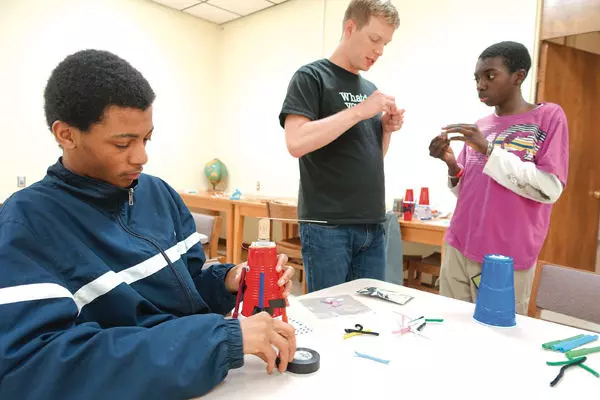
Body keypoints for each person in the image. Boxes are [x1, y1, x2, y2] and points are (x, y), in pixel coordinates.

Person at [0, 49, 297, 399]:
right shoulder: (27, 224)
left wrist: (231, 281)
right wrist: (218, 341)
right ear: (66, 134)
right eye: (122, 143)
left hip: (203, 378)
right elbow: (34, 368)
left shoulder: (157, 193)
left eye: (146, 139)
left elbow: (188, 289)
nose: (141, 157)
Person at [429, 41, 569, 314]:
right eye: (477, 78)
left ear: (519, 76)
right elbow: (468, 191)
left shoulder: (548, 117)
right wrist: (451, 165)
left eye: (490, 75)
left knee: (498, 333)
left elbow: (550, 189)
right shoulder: (481, 127)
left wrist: (489, 150)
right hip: (459, 244)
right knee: (451, 328)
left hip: (507, 256)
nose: (481, 85)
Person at [279, 0, 404, 292]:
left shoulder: (369, 90)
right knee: (329, 313)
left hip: (372, 225)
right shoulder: (311, 77)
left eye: (385, 44)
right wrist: (359, 111)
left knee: (370, 312)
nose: (379, 51)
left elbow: (372, 157)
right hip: (328, 226)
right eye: (374, 39)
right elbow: (296, 142)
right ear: (350, 28)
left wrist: (386, 130)